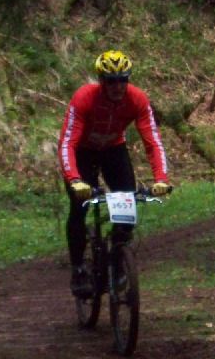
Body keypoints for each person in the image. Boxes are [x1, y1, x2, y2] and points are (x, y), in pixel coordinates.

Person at [58, 50, 171, 296]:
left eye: (124, 79)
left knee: (128, 204)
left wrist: (161, 178)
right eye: (112, 80)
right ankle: (78, 269)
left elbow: (153, 141)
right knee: (79, 207)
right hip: (83, 153)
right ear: (101, 81)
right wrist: (74, 179)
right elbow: (68, 142)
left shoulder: (137, 99)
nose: (119, 86)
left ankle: (118, 259)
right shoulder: (84, 98)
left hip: (113, 151)